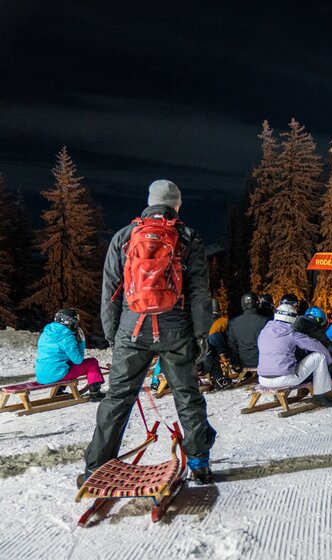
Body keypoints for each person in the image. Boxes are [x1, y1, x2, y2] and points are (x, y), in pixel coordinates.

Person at [84, 179, 217, 485]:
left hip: (132, 330)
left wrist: (113, 335)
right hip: (176, 330)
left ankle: (96, 466)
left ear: (149, 201)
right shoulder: (187, 237)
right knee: (187, 395)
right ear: (177, 205)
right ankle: (199, 463)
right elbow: (199, 294)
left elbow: (110, 293)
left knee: (117, 398)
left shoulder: (124, 236)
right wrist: (200, 334)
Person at [257, 303, 332, 406]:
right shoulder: (292, 333)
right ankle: (320, 395)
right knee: (319, 356)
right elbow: (315, 345)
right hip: (284, 379)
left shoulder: (263, 331)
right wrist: (330, 362)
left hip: (262, 379)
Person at [35, 308, 105, 401]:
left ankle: (59, 390)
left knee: (62, 362)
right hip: (56, 375)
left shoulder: (46, 332)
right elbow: (78, 360)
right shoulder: (66, 337)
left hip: (41, 375)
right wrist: (81, 342)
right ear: (69, 322)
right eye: (75, 322)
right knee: (92, 363)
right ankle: (95, 392)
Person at [293, 306, 332, 385]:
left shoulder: (294, 329)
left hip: (295, 369)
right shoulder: (317, 332)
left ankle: (304, 390)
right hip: (312, 372)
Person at [226, 293, 269, 372]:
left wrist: (235, 363)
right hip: (263, 361)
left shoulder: (234, 322)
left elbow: (232, 345)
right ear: (257, 304)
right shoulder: (265, 321)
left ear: (242, 305)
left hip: (243, 362)